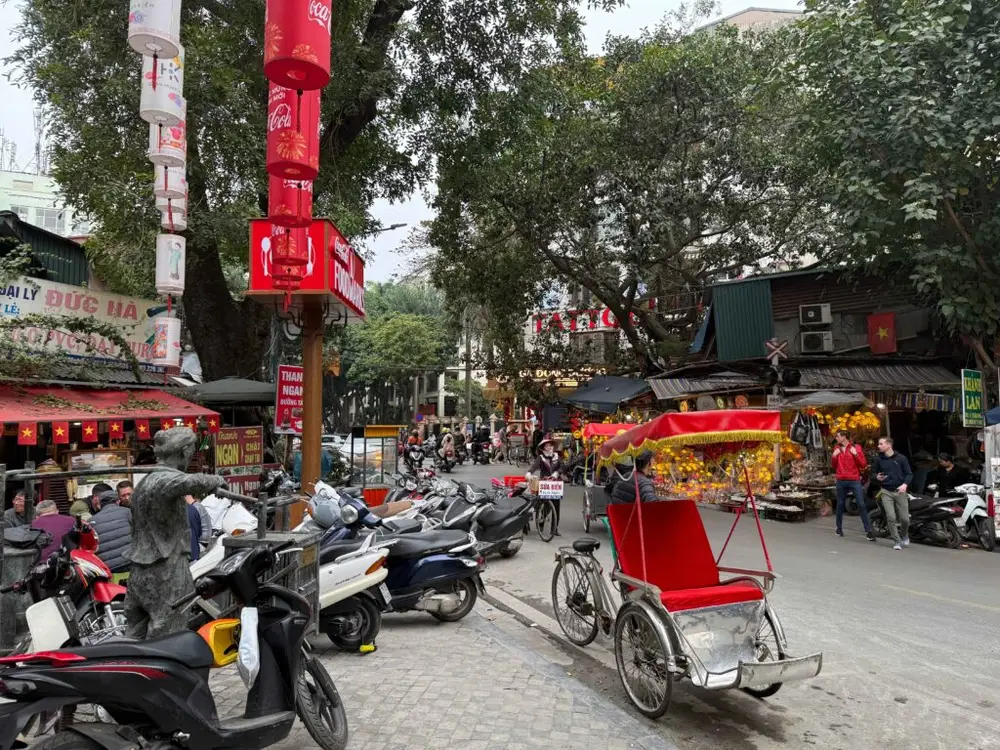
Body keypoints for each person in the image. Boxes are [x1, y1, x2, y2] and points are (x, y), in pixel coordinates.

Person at [124, 427, 226, 639]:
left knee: (135, 634)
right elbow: (188, 482)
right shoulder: (162, 480)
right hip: (165, 569)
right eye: (191, 452)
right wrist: (214, 480)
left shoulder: (144, 482)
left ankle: (132, 668)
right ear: (184, 451)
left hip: (140, 570)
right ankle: (161, 671)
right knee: (167, 632)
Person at [831, 430, 874, 540]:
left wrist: (855, 454)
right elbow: (834, 465)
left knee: (861, 504)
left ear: (844, 437)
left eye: (838, 436)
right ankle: (838, 528)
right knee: (840, 504)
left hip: (854, 479)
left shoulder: (856, 447)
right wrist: (834, 457)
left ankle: (868, 530)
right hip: (841, 479)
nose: (836, 438)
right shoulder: (836, 448)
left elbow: (863, 464)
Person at [875, 436, 913, 551]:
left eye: (881, 444)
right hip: (886, 491)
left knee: (905, 519)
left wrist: (905, 485)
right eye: (879, 444)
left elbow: (909, 474)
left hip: (900, 491)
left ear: (888, 445)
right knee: (891, 517)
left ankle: (904, 534)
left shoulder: (901, 458)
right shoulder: (879, 459)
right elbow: (873, 474)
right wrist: (876, 477)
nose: (879, 446)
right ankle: (897, 541)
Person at [89, 489, 133, 574]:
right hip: (129, 562)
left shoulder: (91, 521)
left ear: (100, 504)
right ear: (117, 501)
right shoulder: (128, 512)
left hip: (107, 568)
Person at [527, 436, 565, 535]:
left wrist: (557, 473)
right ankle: (541, 522)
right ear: (543, 448)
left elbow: (562, 467)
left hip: (555, 483)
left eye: (551, 446)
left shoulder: (557, 456)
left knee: (556, 506)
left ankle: (554, 529)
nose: (549, 448)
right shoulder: (541, 457)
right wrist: (529, 473)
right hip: (544, 483)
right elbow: (534, 466)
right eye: (547, 446)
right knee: (545, 506)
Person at [185, 496, 202, 562]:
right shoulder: (193, 509)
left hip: (181, 554)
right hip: (194, 551)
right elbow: (199, 532)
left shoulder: (173, 511)